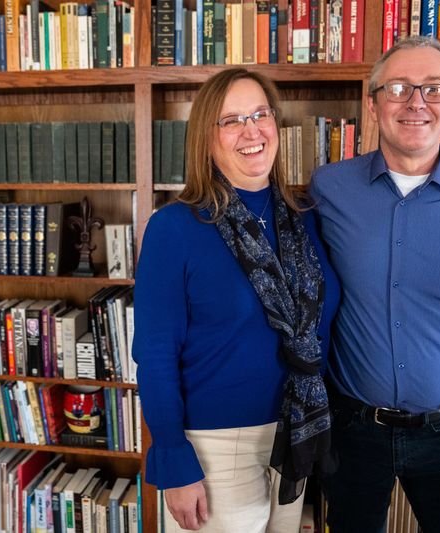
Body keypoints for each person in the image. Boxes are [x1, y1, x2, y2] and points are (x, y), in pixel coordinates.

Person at [311, 36, 440, 532]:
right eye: (399, 87)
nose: (415, 103)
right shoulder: (329, 188)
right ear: (373, 102)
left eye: (433, 89)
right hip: (351, 429)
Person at [133, 68, 340, 532]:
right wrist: (173, 458)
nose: (251, 131)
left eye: (260, 114)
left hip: (295, 433)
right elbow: (154, 354)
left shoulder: (306, 220)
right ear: (206, 139)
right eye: (231, 121)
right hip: (214, 447)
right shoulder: (175, 228)